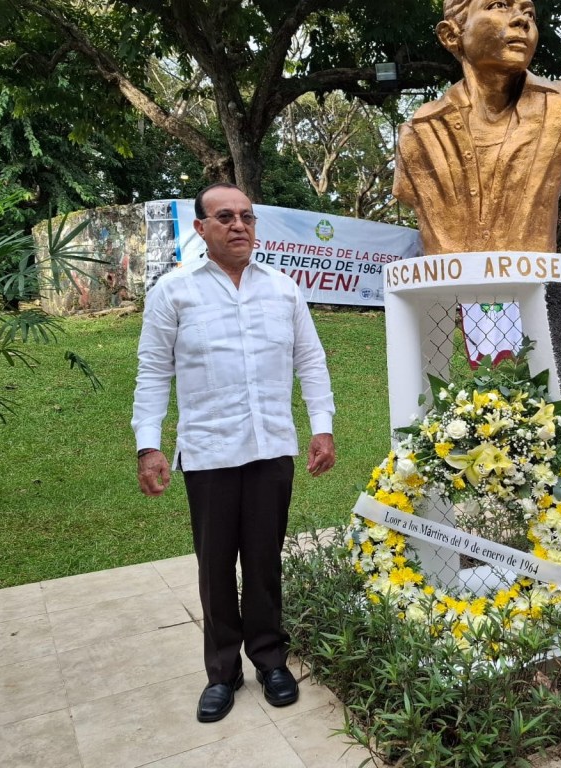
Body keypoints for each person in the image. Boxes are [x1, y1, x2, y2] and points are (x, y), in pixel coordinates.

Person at [132, 183, 336, 723]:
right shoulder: (174, 292)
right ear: (201, 229)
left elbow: (310, 361)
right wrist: (148, 445)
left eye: (246, 216)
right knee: (215, 567)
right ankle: (222, 673)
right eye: (225, 217)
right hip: (209, 453)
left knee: (265, 562)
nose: (239, 225)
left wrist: (323, 428)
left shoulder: (283, 289)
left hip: (271, 448)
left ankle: (271, 660)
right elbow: (153, 372)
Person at [393, 0, 561, 256]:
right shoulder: (419, 132)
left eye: (529, 14)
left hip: (531, 287)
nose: (522, 20)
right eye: (498, 5)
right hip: (450, 292)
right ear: (450, 35)